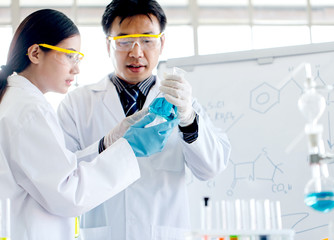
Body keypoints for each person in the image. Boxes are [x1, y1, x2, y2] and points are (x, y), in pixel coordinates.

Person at [57, 0, 231, 239]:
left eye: (147, 40)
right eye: (124, 41)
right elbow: (63, 175)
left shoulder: (182, 102)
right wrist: (106, 144)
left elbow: (210, 168)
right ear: (108, 46)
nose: (136, 52)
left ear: (161, 43)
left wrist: (189, 118)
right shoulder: (77, 104)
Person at [0, 8, 177, 240]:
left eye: (78, 58)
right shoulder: (29, 110)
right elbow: (68, 194)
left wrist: (109, 142)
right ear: (35, 53)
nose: (76, 68)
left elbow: (61, 171)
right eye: (69, 56)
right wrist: (128, 148)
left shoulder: (19, 100)